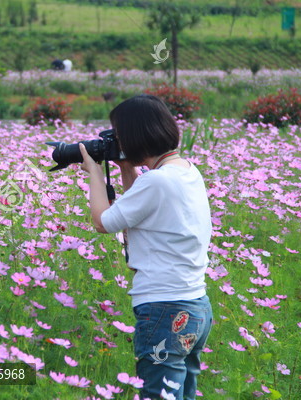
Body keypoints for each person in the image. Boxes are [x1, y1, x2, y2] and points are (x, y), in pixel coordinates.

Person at [78, 94, 213, 400]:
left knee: (156, 394)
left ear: (134, 136)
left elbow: (104, 222)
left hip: (166, 309)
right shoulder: (185, 172)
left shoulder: (157, 182)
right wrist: (127, 169)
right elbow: (139, 208)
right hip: (195, 306)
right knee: (180, 394)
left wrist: (95, 176)